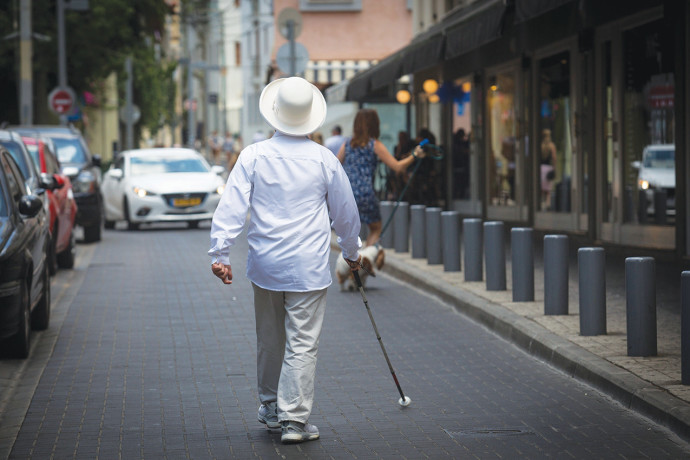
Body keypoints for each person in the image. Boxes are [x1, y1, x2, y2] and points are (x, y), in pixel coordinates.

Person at [209, 77, 362, 445]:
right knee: (302, 343)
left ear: (275, 114)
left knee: (270, 338)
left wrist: (220, 252)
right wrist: (353, 254)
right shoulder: (324, 159)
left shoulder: (254, 155)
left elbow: (232, 205)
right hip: (309, 266)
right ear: (311, 118)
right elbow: (346, 213)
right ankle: (294, 420)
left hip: (266, 264)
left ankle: (270, 408)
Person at [337, 109, 424, 247]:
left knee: (350, 233)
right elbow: (397, 167)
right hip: (365, 193)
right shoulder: (374, 145)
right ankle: (366, 261)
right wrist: (415, 155)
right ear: (374, 124)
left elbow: (334, 167)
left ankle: (350, 264)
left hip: (346, 194)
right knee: (376, 228)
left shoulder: (347, 144)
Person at [540, 128, 557, 209]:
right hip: (548, 168)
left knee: (542, 189)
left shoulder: (540, 146)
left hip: (541, 168)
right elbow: (554, 158)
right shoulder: (552, 146)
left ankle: (541, 203)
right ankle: (548, 204)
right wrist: (554, 168)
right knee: (548, 190)